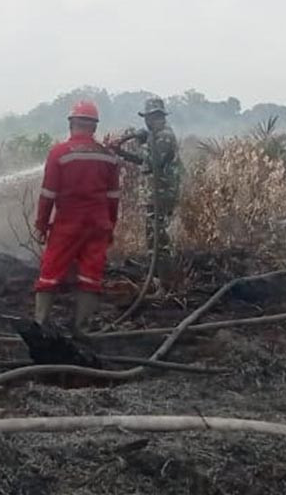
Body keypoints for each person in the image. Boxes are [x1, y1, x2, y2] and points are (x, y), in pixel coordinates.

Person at [33, 100, 121, 335]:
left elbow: (48, 193)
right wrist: (110, 225)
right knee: (90, 276)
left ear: (72, 124)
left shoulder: (58, 153)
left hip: (67, 224)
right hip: (98, 223)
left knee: (50, 272)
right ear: (93, 127)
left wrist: (41, 224)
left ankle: (40, 326)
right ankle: (82, 330)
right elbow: (114, 197)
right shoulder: (109, 156)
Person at [112, 97, 182, 265]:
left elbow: (154, 161)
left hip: (162, 195)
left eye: (152, 117)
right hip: (155, 195)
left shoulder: (164, 136)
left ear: (158, 116)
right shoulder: (155, 136)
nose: (148, 121)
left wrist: (140, 141)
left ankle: (163, 278)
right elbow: (142, 160)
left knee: (159, 238)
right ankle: (156, 274)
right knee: (153, 237)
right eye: (147, 118)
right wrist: (121, 152)